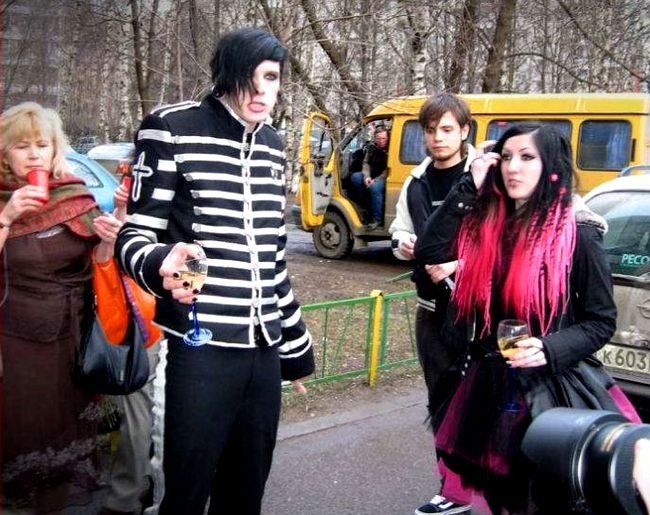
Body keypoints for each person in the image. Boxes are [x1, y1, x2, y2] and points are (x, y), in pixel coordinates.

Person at [114, 27, 314, 515]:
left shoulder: (273, 144)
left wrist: (294, 350)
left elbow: (272, 261)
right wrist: (161, 263)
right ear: (227, 75)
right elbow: (132, 237)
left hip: (263, 353)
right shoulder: (171, 127)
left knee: (245, 495)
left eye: (273, 78)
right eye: (253, 77)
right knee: (184, 494)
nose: (264, 90)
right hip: (197, 347)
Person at [414, 123, 641, 514]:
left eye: (527, 157)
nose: (512, 167)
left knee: (553, 495)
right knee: (507, 498)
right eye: (506, 157)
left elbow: (601, 321)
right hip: (489, 384)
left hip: (553, 385)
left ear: (550, 166)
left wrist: (548, 348)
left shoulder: (579, 232)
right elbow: (429, 252)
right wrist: (469, 183)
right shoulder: (488, 225)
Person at [0, 102, 121, 512]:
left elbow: (99, 263)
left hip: (73, 339)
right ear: (5, 153)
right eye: (22, 146)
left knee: (63, 431)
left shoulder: (74, 194)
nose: (34, 155)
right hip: (15, 341)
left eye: (42, 145)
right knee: (20, 428)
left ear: (56, 150)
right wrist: (7, 217)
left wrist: (109, 239)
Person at [389, 92, 476, 515]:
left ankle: (490, 485)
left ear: (464, 131)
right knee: (442, 402)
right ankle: (454, 490)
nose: (438, 138)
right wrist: (402, 243)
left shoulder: (484, 177)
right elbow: (398, 229)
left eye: (446, 129)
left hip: (478, 312)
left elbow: (506, 242)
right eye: (430, 130)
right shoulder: (416, 182)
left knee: (483, 402)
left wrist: (460, 264)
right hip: (430, 310)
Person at [100, 182, 160, 515]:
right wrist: (122, 211)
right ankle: (129, 495)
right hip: (147, 330)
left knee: (145, 415)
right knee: (141, 414)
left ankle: (127, 497)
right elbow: (109, 255)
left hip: (161, 329)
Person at [350, 126, 389, 229]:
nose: (381, 141)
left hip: (384, 177)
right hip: (371, 175)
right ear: (375, 138)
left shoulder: (391, 148)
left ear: (388, 138)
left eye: (383, 138)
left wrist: (375, 180)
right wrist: (366, 177)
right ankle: (365, 205)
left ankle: (377, 219)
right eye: (378, 138)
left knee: (375, 188)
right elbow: (366, 163)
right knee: (355, 177)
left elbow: (387, 169)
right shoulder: (372, 148)